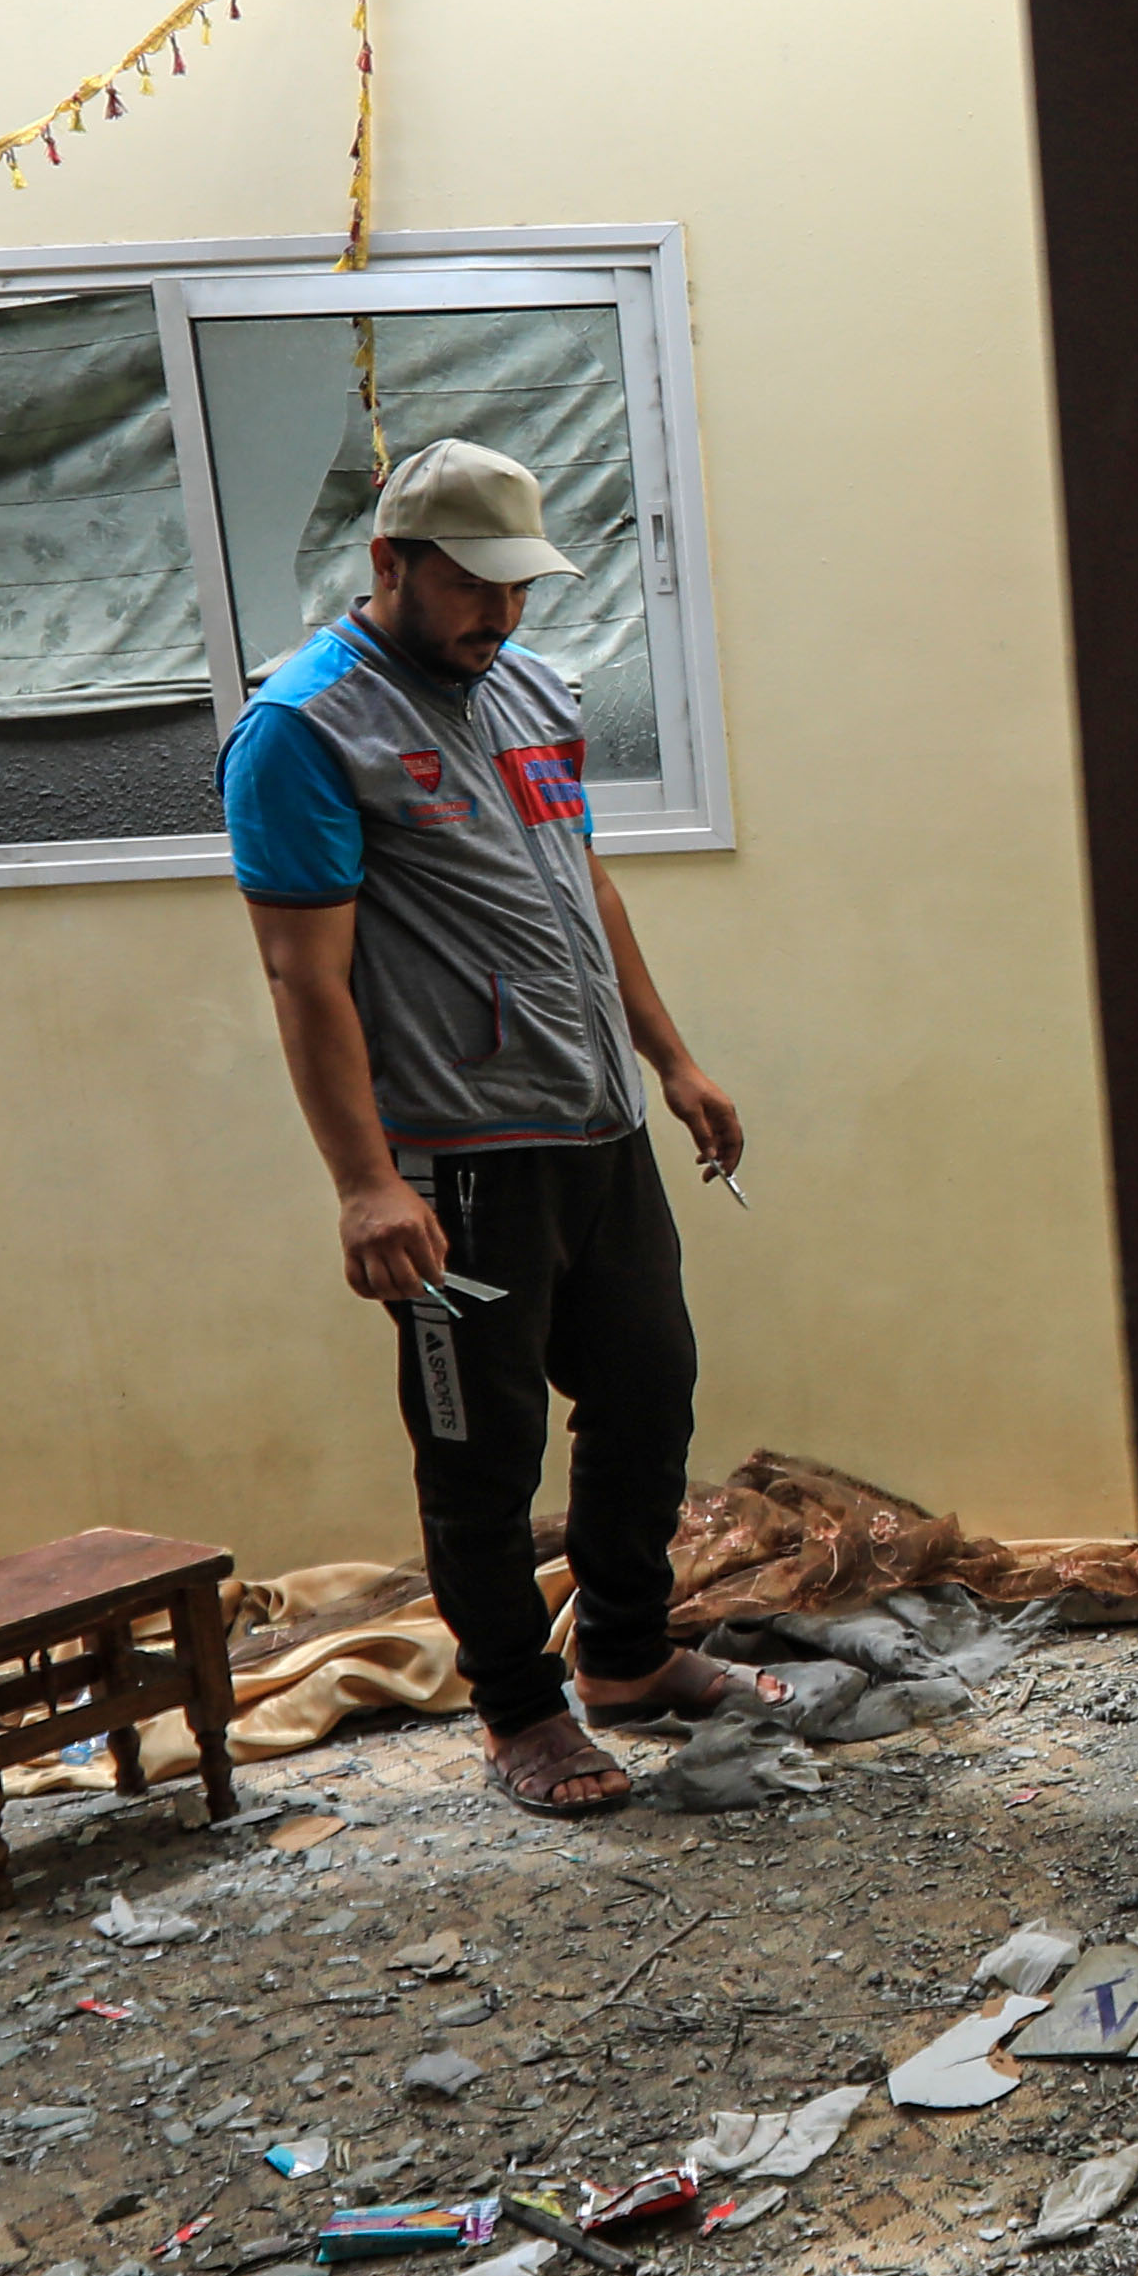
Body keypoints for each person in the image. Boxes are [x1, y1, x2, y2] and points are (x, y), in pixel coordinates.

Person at [223, 438, 764, 1816]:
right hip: (457, 1163)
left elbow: (585, 884)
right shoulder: (305, 728)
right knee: (482, 1450)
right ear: (389, 563)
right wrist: (365, 1184)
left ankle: (625, 1658)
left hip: (597, 1129)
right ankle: (520, 1711)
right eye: (472, 585)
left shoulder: (527, 688)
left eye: (519, 586)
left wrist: (672, 1059)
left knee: (648, 1395)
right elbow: (303, 977)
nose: (502, 614)